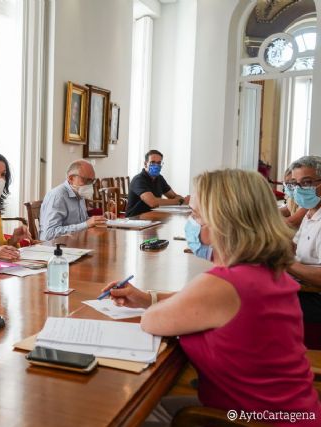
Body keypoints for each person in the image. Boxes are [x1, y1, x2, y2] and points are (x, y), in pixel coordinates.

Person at [102, 169, 320, 425]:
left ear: (220, 223)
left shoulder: (223, 285)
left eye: (195, 215)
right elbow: (197, 303)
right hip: (288, 412)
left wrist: (150, 306)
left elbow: (151, 322)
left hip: (250, 419)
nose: (192, 223)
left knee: (120, 415)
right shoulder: (262, 269)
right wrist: (146, 297)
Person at [286, 156, 321, 325]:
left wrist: (284, 263)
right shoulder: (310, 212)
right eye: (294, 183)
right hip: (304, 287)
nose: (299, 189)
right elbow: (293, 247)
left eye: (306, 183)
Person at [39, 159, 111, 241]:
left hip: (74, 242)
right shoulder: (57, 196)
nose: (89, 185)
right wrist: (86, 224)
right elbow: (49, 234)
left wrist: (100, 219)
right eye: (86, 180)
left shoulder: (78, 192)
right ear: (71, 178)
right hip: (56, 248)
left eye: (92, 181)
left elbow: (81, 222)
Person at [126, 149, 189, 217]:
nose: (156, 165)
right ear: (145, 164)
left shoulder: (159, 178)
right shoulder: (138, 180)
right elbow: (152, 202)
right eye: (152, 162)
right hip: (135, 219)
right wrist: (178, 201)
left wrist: (184, 200)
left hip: (153, 216)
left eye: (159, 163)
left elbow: (173, 196)